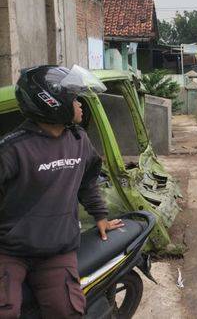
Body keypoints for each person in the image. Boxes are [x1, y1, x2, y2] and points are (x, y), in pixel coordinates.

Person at [0, 65, 124, 318]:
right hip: (9, 250)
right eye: (74, 98)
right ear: (52, 103)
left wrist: (100, 216)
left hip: (57, 250)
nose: (79, 104)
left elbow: (88, 181)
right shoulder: (13, 149)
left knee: (67, 311)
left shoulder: (79, 141)